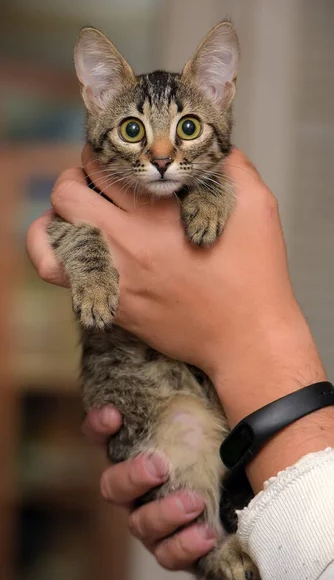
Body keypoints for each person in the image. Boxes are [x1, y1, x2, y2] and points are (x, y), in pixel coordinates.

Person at [26, 147, 334, 579]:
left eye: (187, 129)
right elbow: (62, 230)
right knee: (194, 495)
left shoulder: (217, 185)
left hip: (218, 411)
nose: (162, 153)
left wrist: (248, 347)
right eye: (134, 131)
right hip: (153, 395)